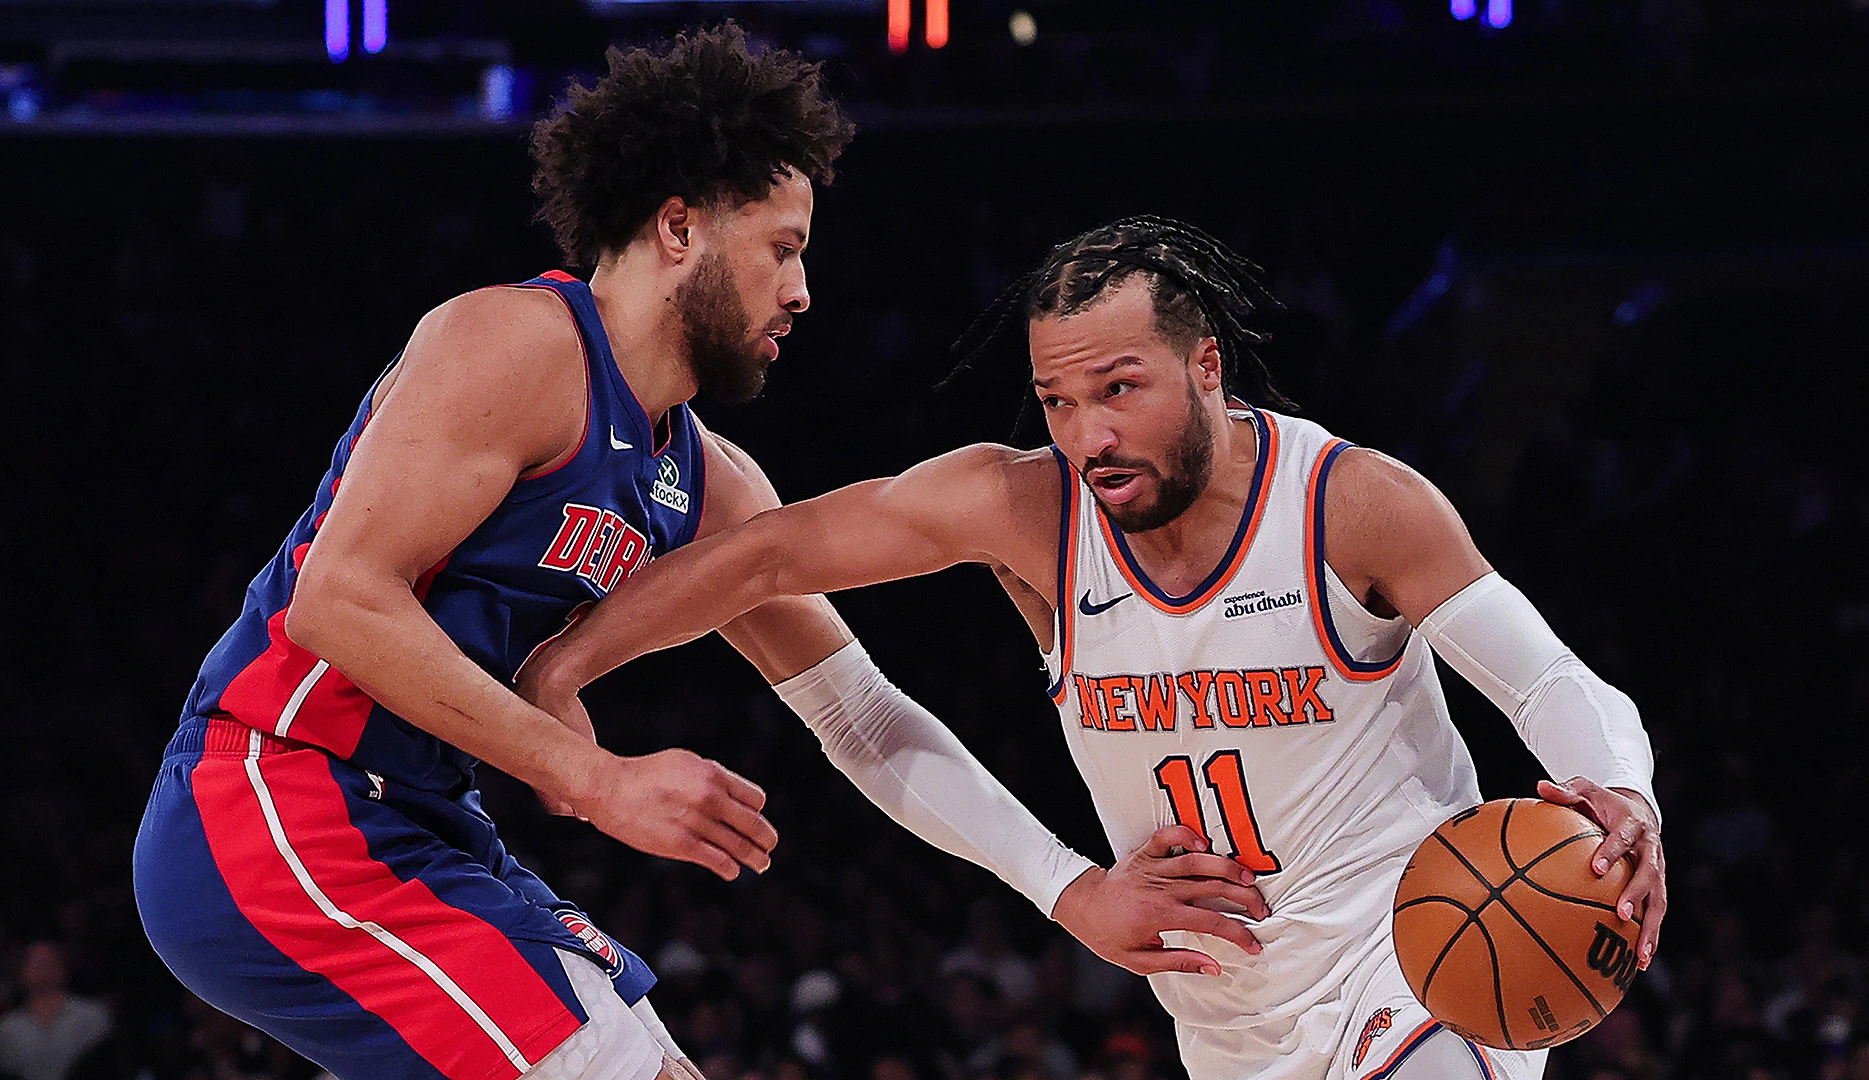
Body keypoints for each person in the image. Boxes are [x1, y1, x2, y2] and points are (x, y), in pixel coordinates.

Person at [132, 29, 1232, 1080]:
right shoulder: (516, 342)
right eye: (782, 247)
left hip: (421, 820)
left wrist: (1069, 889)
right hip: (274, 790)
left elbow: (860, 714)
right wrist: (591, 777)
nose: (801, 290)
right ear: (678, 229)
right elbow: (337, 601)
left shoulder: (707, 481)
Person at [514, 216, 1672, 1080]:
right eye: (1059, 401)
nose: (1090, 435)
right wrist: (563, 669)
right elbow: (767, 556)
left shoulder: (1351, 505)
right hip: (1228, 1025)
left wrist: (1623, 792)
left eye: (1121, 389)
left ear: (1206, 365)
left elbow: (1549, 679)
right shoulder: (1025, 509)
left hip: (1416, 962)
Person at [0, 942, 112, 1080]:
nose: (45, 969)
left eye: (51, 962)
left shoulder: (93, 1015)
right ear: (21, 971)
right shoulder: (8, 1027)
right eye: (37, 963)